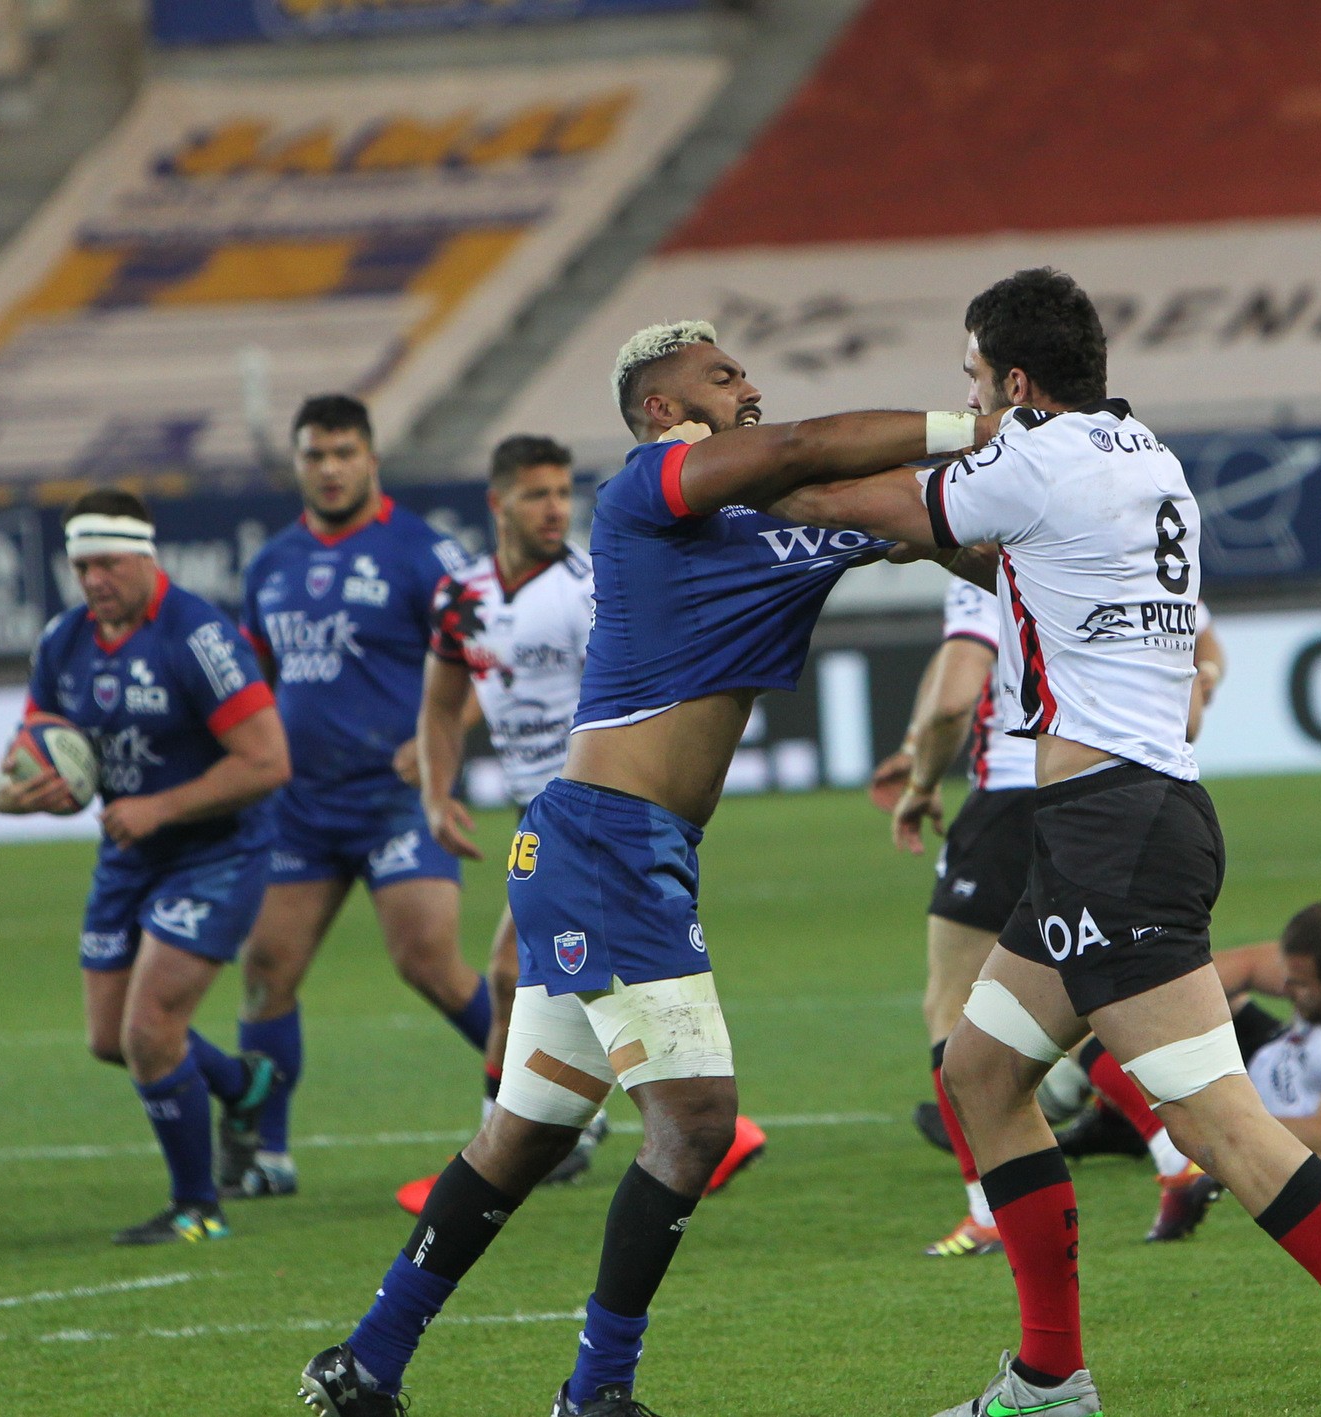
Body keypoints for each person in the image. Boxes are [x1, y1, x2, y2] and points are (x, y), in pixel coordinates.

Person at [781, 268, 1321, 1417]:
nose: (968, 402)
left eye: (972, 380)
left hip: (1117, 830)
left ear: (1015, 381)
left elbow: (874, 503)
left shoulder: (1038, 455)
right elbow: (1005, 558)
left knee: (1214, 1117)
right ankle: (1049, 1378)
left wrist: (733, 475)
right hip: (1105, 825)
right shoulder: (1139, 452)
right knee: (978, 1071)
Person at [298, 321, 990, 1417]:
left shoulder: (787, 513)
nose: (747, 385)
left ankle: (365, 1363)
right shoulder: (641, 491)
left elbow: (929, 523)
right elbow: (802, 446)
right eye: (721, 375)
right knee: (698, 1121)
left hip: (616, 846)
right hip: (607, 842)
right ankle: (596, 1392)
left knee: (524, 1133)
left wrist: (994, 506)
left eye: (746, 369)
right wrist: (973, 424)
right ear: (662, 410)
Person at [877, 582, 1224, 1259]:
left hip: (1008, 795)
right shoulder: (1127, 546)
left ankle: (987, 1212)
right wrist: (1204, 676)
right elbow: (1202, 656)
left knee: (953, 1006)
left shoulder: (995, 554)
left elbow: (954, 696)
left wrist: (922, 779)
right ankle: (1172, 1154)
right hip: (1105, 792)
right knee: (1060, 1003)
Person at [0, 490, 290, 1243]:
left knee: (151, 1029)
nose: (94, 580)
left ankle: (199, 1208)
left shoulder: (198, 637)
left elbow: (267, 761)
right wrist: (28, 795)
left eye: (108, 564)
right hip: (130, 854)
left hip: (218, 850)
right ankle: (242, 1082)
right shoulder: (63, 642)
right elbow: (40, 746)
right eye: (82, 566)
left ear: (146, 557)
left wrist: (162, 806)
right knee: (109, 1038)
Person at [227, 395, 479, 1199]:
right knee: (266, 969)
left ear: (371, 458)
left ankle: (555, 1108)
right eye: (315, 455)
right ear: (297, 464)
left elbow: (481, 664)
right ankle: (265, 1153)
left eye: (344, 453)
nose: (330, 469)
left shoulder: (424, 553)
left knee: (428, 961)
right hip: (301, 805)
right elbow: (257, 681)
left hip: (397, 797)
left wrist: (437, 740)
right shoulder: (271, 564)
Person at [393, 433, 604, 1211]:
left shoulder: (587, 588)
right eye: (537, 494)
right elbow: (441, 704)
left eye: (563, 493)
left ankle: (503, 1151)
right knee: (556, 976)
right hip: (532, 808)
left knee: (516, 972)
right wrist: (436, 793)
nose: (555, 509)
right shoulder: (464, 593)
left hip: (590, 801)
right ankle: (568, 1129)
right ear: (498, 503)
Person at [1067, 902, 1321, 1242]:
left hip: (1254, 1110)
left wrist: (1222, 1125)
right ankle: (1113, 1112)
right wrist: (1147, 996)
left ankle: (1150, 1132)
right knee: (1129, 1004)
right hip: (1267, 1052)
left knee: (1086, 1026)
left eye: (1300, 985)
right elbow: (1248, 966)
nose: (1286, 989)